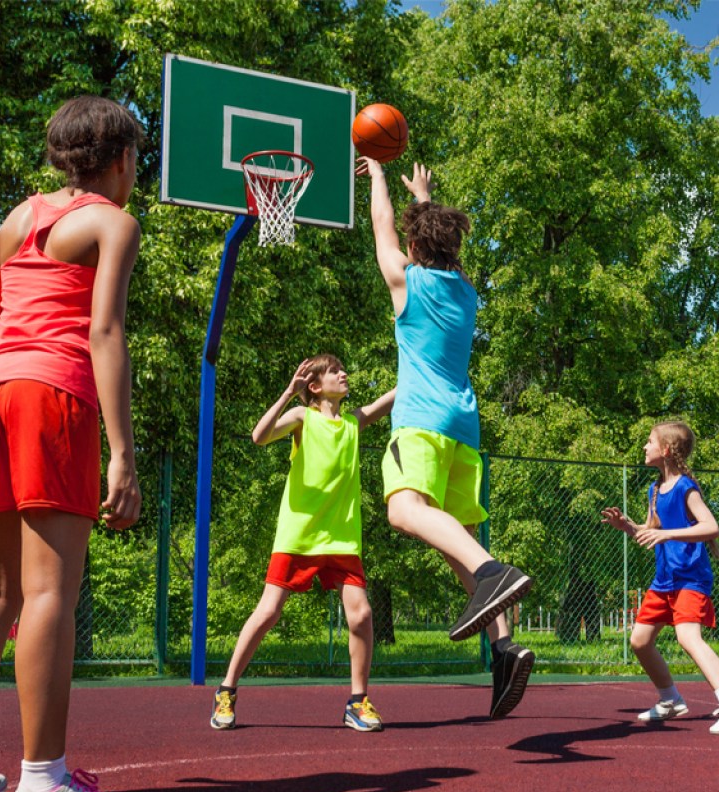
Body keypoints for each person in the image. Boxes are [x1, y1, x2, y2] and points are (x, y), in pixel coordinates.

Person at [0, 96, 144, 792]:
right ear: (118, 161)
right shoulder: (113, 222)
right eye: (136, 158)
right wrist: (123, 453)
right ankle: (43, 781)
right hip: (52, 390)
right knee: (52, 591)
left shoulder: (16, 218)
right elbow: (104, 331)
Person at [357, 156, 534, 720]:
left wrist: (380, 180)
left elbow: (382, 227)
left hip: (423, 422)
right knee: (464, 540)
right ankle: (505, 649)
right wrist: (426, 197)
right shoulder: (465, 291)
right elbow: (416, 233)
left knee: (404, 511)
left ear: (415, 247)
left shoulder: (407, 284)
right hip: (464, 427)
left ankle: (493, 574)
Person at [211, 355, 395, 732]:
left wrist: (423, 360)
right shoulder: (302, 417)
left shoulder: (352, 423)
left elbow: (392, 397)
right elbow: (259, 437)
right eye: (334, 371)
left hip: (342, 539)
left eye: (344, 369)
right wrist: (286, 394)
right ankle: (227, 689)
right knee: (268, 612)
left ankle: (357, 702)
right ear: (315, 386)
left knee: (360, 614)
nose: (344, 374)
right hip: (299, 535)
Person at [603, 422, 719, 735]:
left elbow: (711, 527)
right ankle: (670, 699)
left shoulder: (686, 487)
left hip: (690, 579)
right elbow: (650, 531)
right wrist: (626, 527)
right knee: (640, 641)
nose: (644, 446)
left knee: (687, 638)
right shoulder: (654, 490)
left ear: (666, 450)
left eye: (649, 441)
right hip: (664, 581)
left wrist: (668, 533)